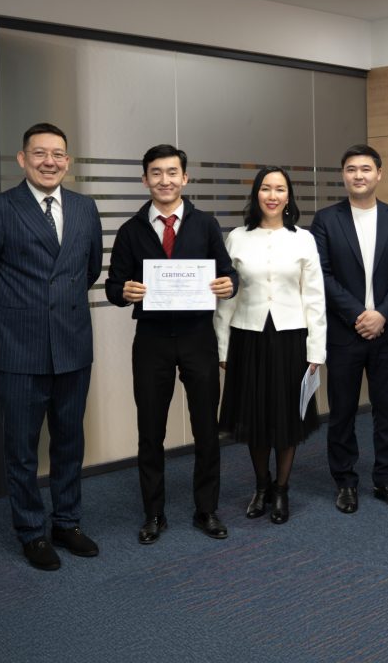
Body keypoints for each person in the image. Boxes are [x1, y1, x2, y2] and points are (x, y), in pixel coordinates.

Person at [0, 122, 103, 571]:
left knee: (69, 443)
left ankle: (67, 522)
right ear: (22, 159)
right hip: (18, 350)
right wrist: (20, 310)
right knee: (21, 449)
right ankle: (31, 531)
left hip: (73, 347)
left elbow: (89, 270)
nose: (49, 161)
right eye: (40, 153)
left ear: (68, 161)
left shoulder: (84, 208)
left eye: (58, 154)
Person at [105, 144, 237, 543]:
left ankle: (206, 509)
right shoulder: (131, 230)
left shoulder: (206, 224)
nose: (165, 180)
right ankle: (153, 513)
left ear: (185, 178)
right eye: (156, 173)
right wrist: (123, 291)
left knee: (206, 429)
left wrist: (228, 285)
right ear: (145, 179)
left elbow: (228, 274)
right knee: (150, 430)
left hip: (198, 337)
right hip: (152, 341)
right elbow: (113, 285)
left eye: (172, 172)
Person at [311, 144, 388, 514]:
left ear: (379, 174)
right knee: (342, 411)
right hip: (344, 332)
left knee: (387, 411)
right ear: (344, 175)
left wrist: (382, 315)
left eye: (366, 169)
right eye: (352, 169)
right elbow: (322, 274)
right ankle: (345, 482)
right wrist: (359, 313)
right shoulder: (326, 220)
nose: (359, 175)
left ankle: (386, 479)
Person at [215, 166, 326, 524]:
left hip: (291, 337)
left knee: (286, 417)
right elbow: (227, 297)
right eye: (266, 188)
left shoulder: (303, 239)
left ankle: (281, 489)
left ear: (288, 196)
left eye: (280, 189)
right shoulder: (237, 238)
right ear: (256, 194)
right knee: (255, 417)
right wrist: (222, 347)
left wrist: (316, 350)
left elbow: (314, 297)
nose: (272, 196)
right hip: (247, 337)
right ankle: (261, 486)